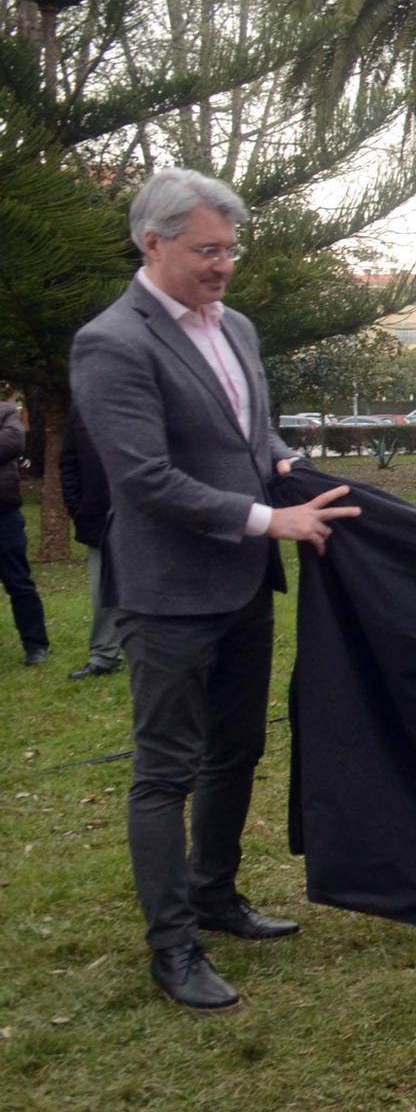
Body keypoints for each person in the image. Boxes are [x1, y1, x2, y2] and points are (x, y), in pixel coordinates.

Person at [69, 167, 362, 1011]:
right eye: (207, 250)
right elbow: (146, 479)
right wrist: (275, 520)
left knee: (238, 750)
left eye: (230, 248)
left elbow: (247, 426)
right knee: (165, 769)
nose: (223, 264)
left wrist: (276, 457)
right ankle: (173, 948)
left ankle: (215, 893)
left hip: (239, 583)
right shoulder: (111, 343)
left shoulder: (235, 327)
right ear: (151, 242)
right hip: (167, 592)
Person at [59, 404, 123, 678]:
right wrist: (77, 507)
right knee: (102, 591)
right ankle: (105, 656)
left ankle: (163, 651)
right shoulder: (82, 408)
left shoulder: (149, 396)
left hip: (148, 515)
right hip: (98, 516)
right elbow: (69, 461)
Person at [0, 399, 51, 665]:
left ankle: (36, 645)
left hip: (4, 514)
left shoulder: (6, 411)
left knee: (19, 583)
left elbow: (12, 443)